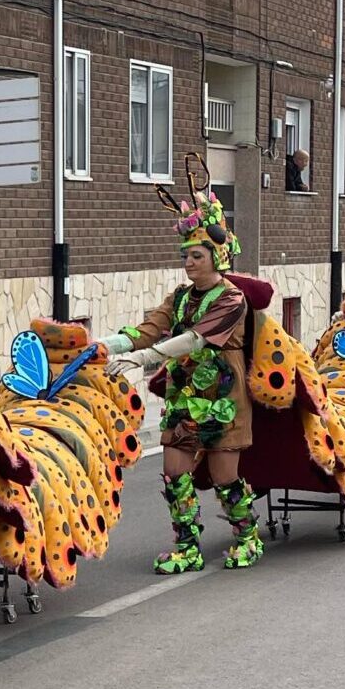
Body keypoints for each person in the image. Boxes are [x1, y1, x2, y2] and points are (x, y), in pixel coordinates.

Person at [95, 188, 261, 574]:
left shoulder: (232, 299)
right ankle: (187, 546)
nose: (188, 262)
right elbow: (146, 330)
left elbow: (195, 339)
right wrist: (100, 345)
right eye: (185, 255)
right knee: (174, 474)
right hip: (186, 397)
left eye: (196, 256)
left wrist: (141, 359)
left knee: (225, 477)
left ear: (217, 257)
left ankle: (247, 537)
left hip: (224, 399)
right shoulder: (180, 297)